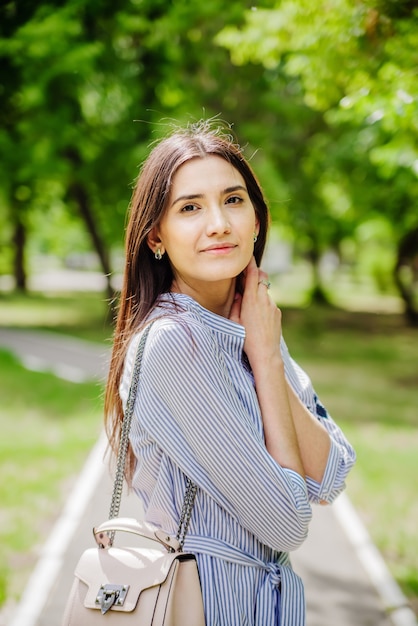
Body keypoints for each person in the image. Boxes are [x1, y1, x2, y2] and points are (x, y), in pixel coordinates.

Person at [104, 120, 356, 625]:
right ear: (156, 235)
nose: (218, 223)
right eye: (190, 207)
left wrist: (263, 351)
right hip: (207, 604)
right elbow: (288, 522)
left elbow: (333, 473)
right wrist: (264, 360)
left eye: (234, 200)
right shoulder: (175, 344)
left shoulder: (250, 320)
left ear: (257, 221)